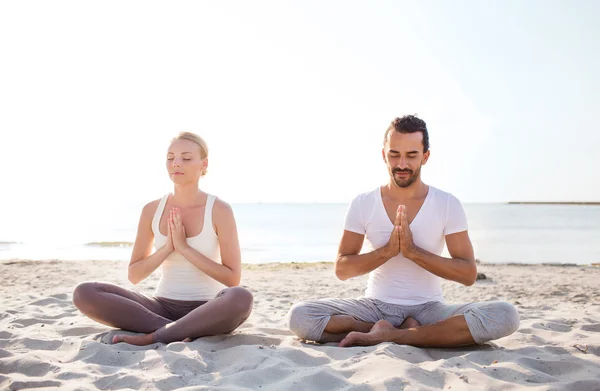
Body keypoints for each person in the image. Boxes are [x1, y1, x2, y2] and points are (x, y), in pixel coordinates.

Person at [287, 115, 519, 348]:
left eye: (411, 155)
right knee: (300, 316)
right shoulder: (363, 203)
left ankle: (387, 335)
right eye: (394, 154)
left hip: (430, 308)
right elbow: (342, 269)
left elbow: (468, 274)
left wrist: (413, 252)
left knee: (506, 314)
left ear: (425, 156)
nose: (402, 164)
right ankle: (398, 332)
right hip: (374, 307)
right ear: (383, 155)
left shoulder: (447, 203)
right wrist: (387, 251)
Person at [73, 132, 253, 346]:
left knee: (241, 297)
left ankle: (158, 335)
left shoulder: (219, 210)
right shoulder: (152, 210)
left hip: (209, 309)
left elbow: (232, 279)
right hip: (159, 307)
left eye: (186, 158)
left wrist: (185, 248)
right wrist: (168, 248)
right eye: (170, 158)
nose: (176, 163)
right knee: (85, 292)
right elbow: (135, 275)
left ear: (204, 165)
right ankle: (174, 330)